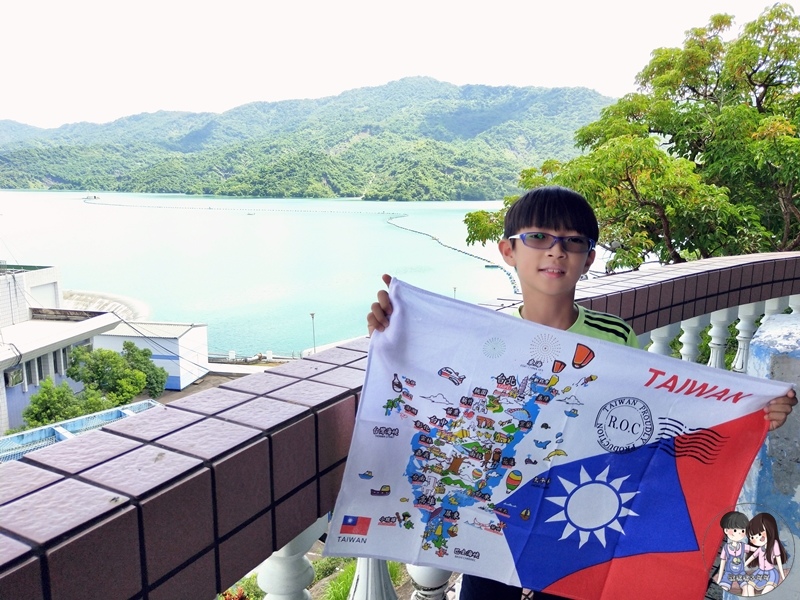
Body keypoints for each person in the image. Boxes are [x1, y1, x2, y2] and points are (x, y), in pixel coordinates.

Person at [367, 185, 797, 600]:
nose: (556, 251)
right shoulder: (484, 337)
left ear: (589, 258)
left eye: (573, 241)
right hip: (494, 522)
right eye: (538, 237)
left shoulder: (614, 337)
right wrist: (393, 332)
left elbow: (655, 413)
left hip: (576, 515)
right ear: (508, 250)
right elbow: (434, 387)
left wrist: (751, 411)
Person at [742, 512, 787, 596]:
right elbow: (752, 557)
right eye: (752, 537)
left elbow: (778, 560)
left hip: (771, 574)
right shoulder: (760, 549)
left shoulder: (774, 544)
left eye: (759, 534)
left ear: (770, 529)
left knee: (765, 592)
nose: (756, 539)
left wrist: (782, 575)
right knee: (749, 587)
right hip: (759, 573)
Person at [715, 511, 751, 594]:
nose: (739, 533)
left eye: (742, 531)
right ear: (726, 530)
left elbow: (754, 549)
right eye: (735, 530)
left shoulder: (742, 546)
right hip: (729, 574)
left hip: (741, 573)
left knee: (746, 588)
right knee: (725, 586)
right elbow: (723, 562)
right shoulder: (726, 548)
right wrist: (720, 577)